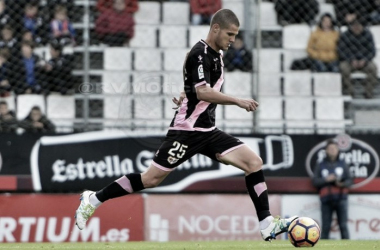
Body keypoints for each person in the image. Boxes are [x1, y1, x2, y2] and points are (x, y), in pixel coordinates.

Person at [74, 9, 298, 241]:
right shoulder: (200, 53)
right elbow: (202, 91)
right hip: (186, 131)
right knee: (150, 179)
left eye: (235, 35)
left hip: (208, 132)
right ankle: (93, 199)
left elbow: (195, 85)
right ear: (216, 28)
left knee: (254, 162)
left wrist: (186, 92)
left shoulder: (215, 54)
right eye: (230, 34)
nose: (233, 39)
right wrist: (237, 100)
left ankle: (267, 224)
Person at [312, 139, 353, 239]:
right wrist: (326, 179)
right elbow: (315, 181)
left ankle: (347, 247)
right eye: (330, 148)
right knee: (325, 226)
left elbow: (350, 181)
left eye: (334, 148)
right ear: (326, 150)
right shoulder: (321, 164)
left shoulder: (343, 164)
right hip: (326, 200)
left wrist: (341, 183)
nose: (332, 150)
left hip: (341, 199)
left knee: (343, 225)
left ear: (338, 150)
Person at [338, 19, 377, 98]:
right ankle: (349, 91)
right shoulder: (345, 35)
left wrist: (365, 60)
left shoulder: (368, 35)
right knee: (343, 68)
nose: (357, 28)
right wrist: (351, 60)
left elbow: (372, 51)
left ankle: (368, 92)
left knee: (373, 68)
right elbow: (341, 51)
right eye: (354, 26)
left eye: (359, 26)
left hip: (364, 61)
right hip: (349, 61)